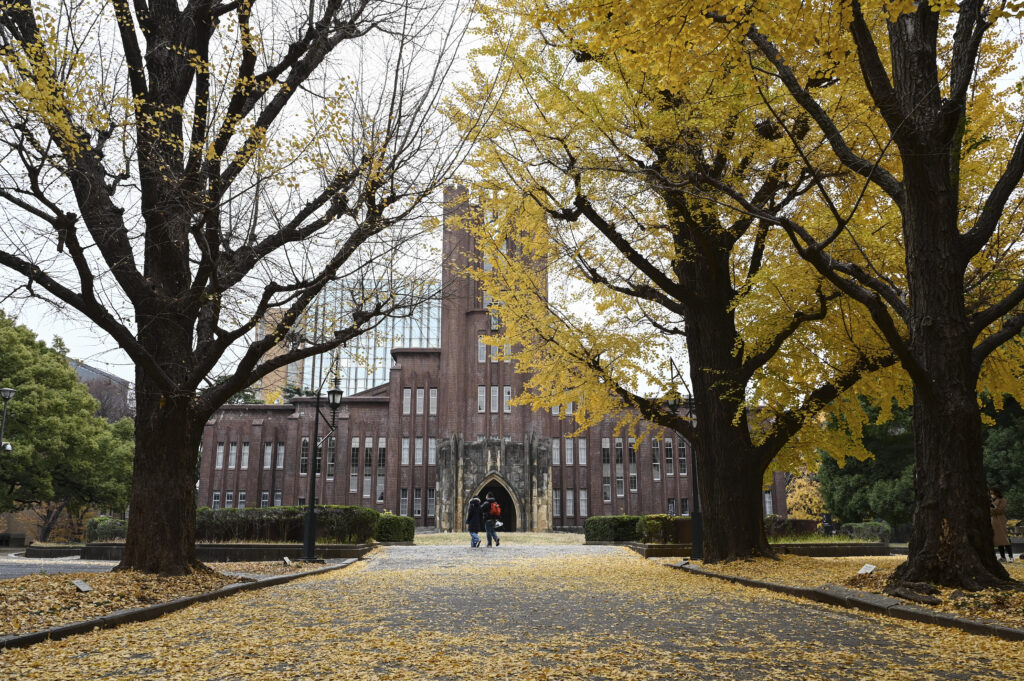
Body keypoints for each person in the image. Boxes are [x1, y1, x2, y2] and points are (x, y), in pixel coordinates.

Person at [990, 488, 1013, 563]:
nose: (991, 495)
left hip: (1000, 521)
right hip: (994, 521)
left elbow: (1001, 510)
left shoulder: (1002, 500)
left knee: (1005, 539)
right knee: (998, 539)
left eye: (992, 493)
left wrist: (993, 508)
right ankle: (1003, 557)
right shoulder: (992, 501)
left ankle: (1011, 557)